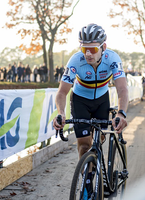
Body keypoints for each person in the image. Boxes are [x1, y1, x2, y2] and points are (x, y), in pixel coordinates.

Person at [53, 23, 129, 198]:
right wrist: (61, 113)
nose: (88, 53)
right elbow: (62, 92)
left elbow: (123, 89)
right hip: (80, 100)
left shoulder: (113, 59)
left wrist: (121, 113)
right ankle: (88, 185)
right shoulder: (75, 60)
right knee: (85, 145)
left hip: (101, 100)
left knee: (99, 137)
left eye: (93, 49)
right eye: (84, 48)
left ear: (103, 47)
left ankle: (97, 161)